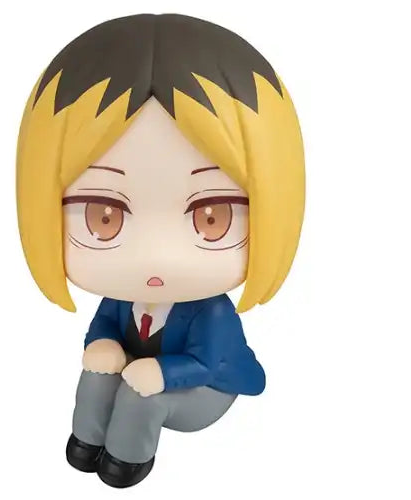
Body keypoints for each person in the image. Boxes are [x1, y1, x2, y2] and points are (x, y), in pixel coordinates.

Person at [16, 13, 304, 488]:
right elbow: (105, 327)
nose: (154, 255)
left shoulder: (210, 312)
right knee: (97, 372)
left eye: (212, 217)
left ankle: (127, 460)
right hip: (144, 371)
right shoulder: (121, 297)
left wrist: (162, 373)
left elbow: (207, 363)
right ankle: (86, 441)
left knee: (140, 396)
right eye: (103, 216)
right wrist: (101, 346)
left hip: (205, 389)